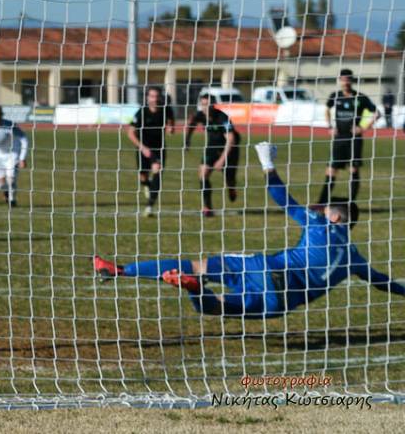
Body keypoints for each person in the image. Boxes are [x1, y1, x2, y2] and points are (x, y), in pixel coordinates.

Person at [93, 142, 405, 318]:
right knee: (217, 308)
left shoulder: (318, 225)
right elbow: (383, 283)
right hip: (281, 302)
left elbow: (282, 199)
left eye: (324, 208)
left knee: (197, 266)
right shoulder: (354, 258)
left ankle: (120, 270)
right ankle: (195, 290)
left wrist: (267, 163)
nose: (318, 209)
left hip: (265, 268)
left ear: (335, 218)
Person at [318, 69, 379, 204]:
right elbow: (327, 109)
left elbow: (377, 113)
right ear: (340, 80)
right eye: (343, 79)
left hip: (354, 139)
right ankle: (321, 203)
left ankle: (351, 202)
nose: (345, 82)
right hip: (339, 138)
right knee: (331, 169)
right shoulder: (335, 95)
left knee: (353, 169)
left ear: (352, 80)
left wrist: (363, 127)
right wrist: (329, 126)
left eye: (348, 79)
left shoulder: (360, 97)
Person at [184, 94, 241, 217]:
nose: (206, 107)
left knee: (230, 180)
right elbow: (191, 124)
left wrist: (221, 160)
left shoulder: (222, 117)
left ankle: (231, 189)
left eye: (208, 104)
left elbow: (231, 140)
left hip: (229, 149)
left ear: (213, 105)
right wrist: (187, 140)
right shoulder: (200, 115)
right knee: (203, 173)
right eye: (203, 104)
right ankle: (207, 207)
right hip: (211, 148)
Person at [127, 86, 175, 217]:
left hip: (159, 148)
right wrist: (142, 147)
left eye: (156, 96)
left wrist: (170, 128)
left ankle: (149, 206)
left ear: (160, 97)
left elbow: (171, 122)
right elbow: (130, 133)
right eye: (151, 96)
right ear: (147, 98)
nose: (154, 99)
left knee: (157, 171)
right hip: (142, 148)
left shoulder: (166, 109)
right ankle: (146, 184)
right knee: (143, 176)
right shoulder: (141, 112)